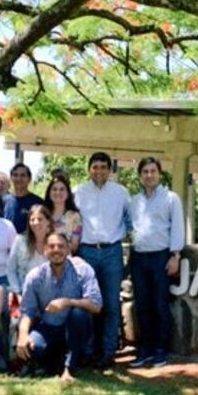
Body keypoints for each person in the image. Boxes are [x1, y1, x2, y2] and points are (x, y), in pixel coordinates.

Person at [17, 232, 101, 381]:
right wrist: (23, 335)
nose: (56, 250)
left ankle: (69, 369)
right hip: (48, 327)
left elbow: (96, 305)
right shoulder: (35, 276)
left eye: (61, 246)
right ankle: (53, 362)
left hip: (75, 328)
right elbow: (27, 311)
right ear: (45, 250)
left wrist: (67, 301)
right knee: (33, 347)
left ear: (68, 249)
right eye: (52, 246)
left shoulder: (83, 271)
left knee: (78, 314)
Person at [73, 151, 129, 369]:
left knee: (111, 304)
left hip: (111, 252)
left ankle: (107, 352)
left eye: (103, 167)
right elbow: (72, 219)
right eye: (95, 167)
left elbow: (130, 218)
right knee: (89, 303)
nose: (99, 171)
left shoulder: (121, 193)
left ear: (110, 170)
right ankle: (88, 351)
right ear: (89, 169)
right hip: (86, 252)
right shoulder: (78, 191)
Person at [128, 157, 185, 369]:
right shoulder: (135, 201)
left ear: (160, 174)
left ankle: (161, 350)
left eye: (153, 171)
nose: (149, 175)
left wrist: (175, 255)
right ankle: (145, 350)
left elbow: (178, 227)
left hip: (161, 256)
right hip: (139, 257)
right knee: (142, 306)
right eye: (145, 171)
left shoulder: (171, 198)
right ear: (140, 175)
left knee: (160, 304)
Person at [7, 205, 51, 298]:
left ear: (48, 221)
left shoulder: (55, 242)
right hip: (25, 293)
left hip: (50, 294)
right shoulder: (20, 240)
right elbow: (11, 269)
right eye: (32, 220)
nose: (36, 223)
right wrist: (17, 292)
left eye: (40, 219)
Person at [45, 170, 82, 254]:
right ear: (49, 193)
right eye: (54, 189)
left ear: (68, 193)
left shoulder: (74, 217)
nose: (58, 192)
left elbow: (74, 246)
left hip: (65, 260)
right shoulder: (43, 214)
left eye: (62, 189)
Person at [6, 163, 45, 233]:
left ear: (29, 179)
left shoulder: (39, 203)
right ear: (11, 178)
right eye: (15, 175)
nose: (19, 178)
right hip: (6, 243)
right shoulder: (3, 201)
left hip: (29, 243)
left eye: (23, 175)